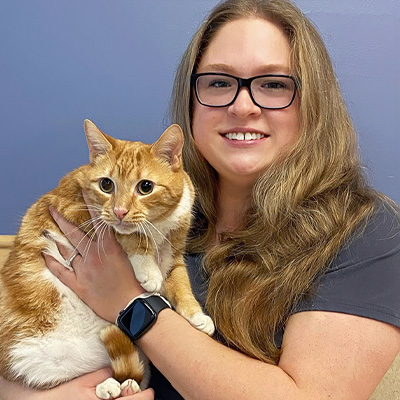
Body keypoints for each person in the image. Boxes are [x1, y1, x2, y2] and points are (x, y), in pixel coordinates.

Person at [1, 0, 400, 398]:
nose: (243, 106)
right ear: (191, 101)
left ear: (313, 102)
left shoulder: (366, 231)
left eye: (274, 84)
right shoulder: (152, 215)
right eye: (219, 83)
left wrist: (130, 303)